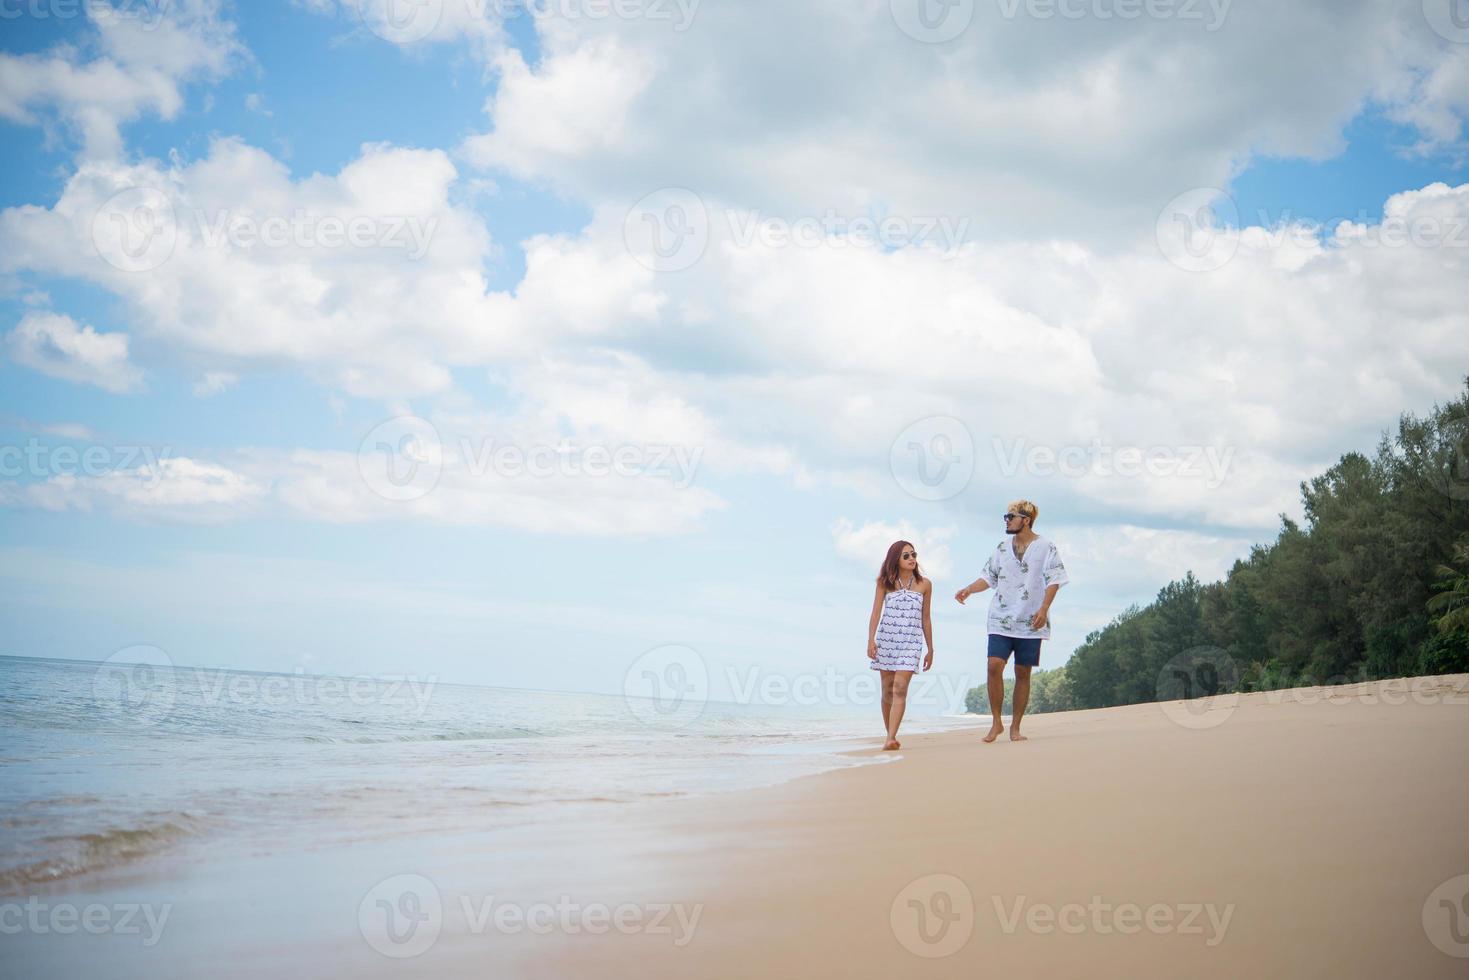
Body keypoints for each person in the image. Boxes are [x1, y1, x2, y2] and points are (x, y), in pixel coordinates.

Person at [955, 499, 1069, 743]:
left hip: (1031, 621)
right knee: (993, 666)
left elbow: (1055, 579)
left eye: (1010, 517)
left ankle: (1015, 727)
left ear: (1025, 520)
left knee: (1022, 672)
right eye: (1006, 517)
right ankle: (996, 722)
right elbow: (988, 578)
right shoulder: (1002, 548)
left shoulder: (1046, 546)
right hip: (1000, 618)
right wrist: (968, 589)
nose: (1006, 521)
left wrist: (1044, 608)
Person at [867, 540, 934, 750]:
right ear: (896, 559)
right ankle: (889, 736)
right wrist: (871, 640)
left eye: (914, 554)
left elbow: (926, 619)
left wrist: (931, 648)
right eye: (906, 555)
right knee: (887, 691)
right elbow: (876, 613)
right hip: (887, 640)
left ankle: (891, 737)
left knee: (900, 688)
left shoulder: (925, 584)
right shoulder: (884, 583)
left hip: (911, 643)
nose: (912, 558)